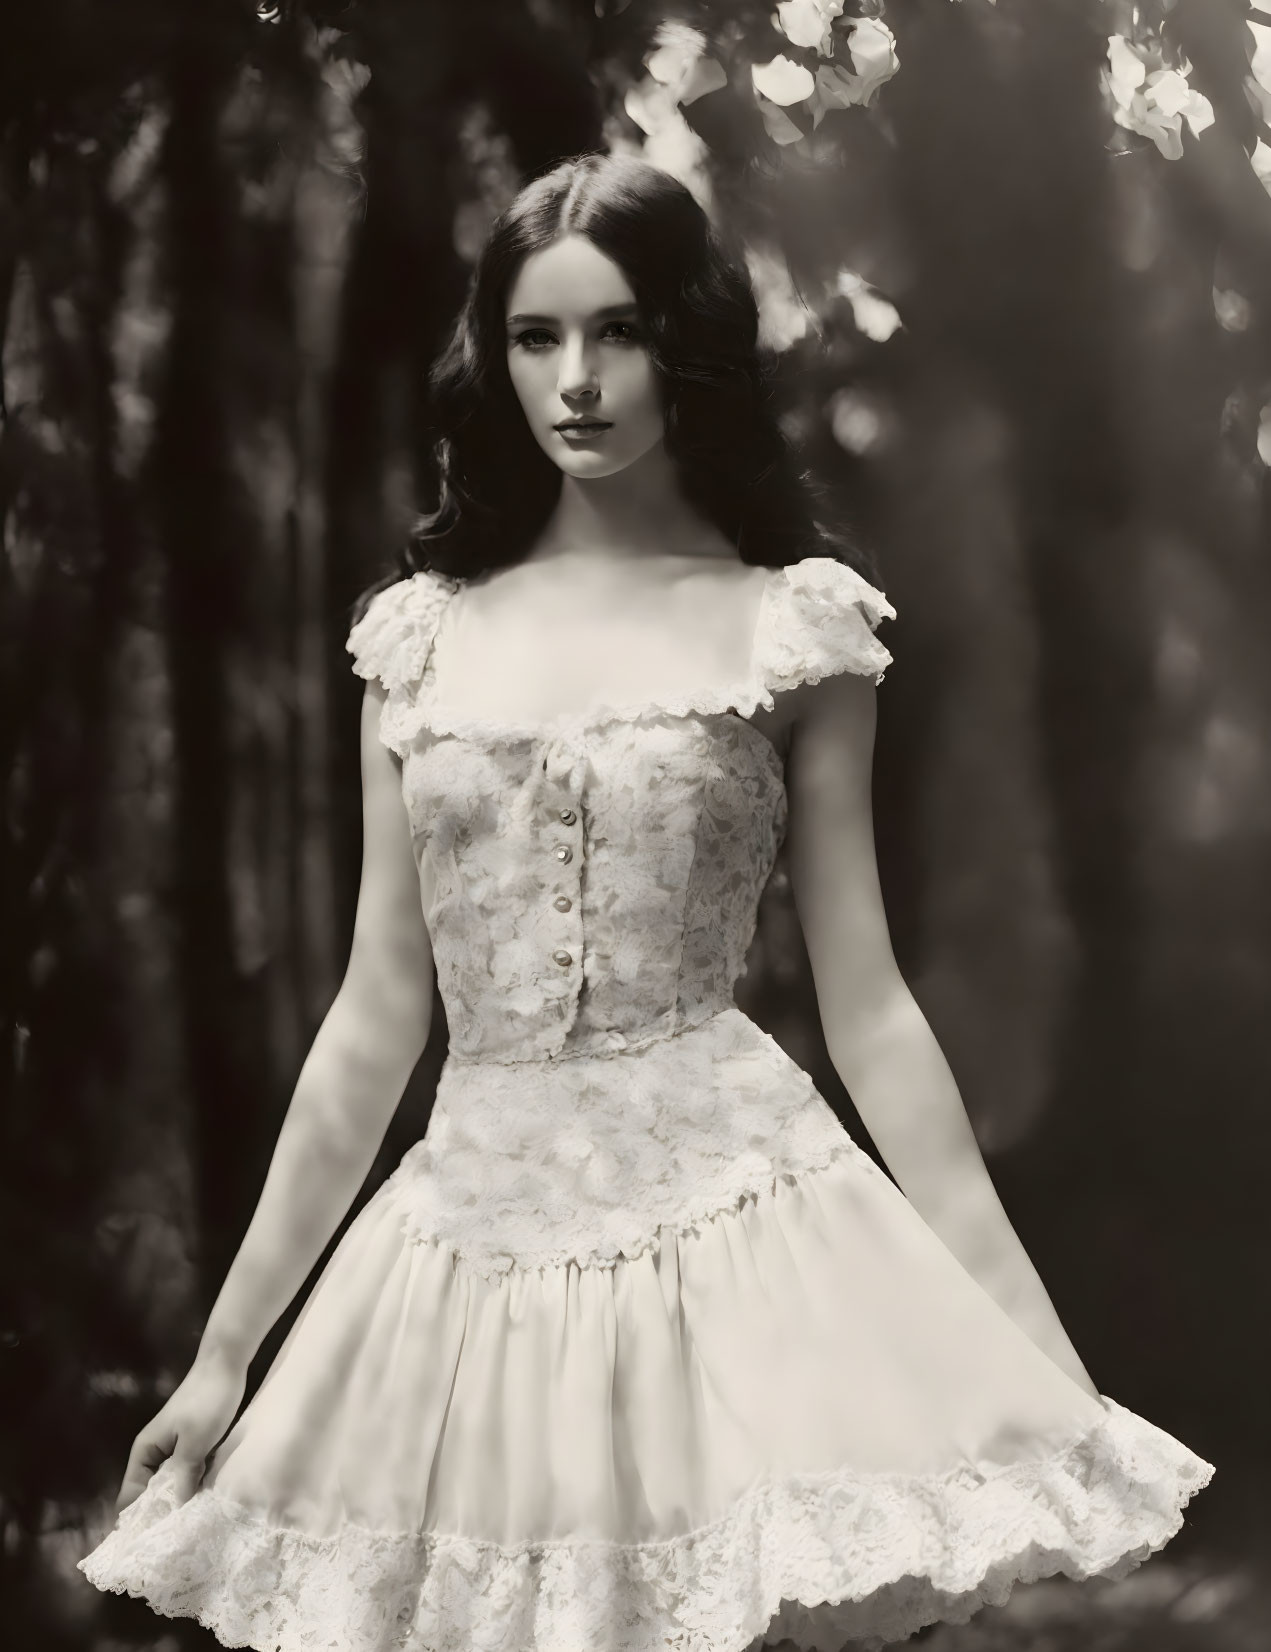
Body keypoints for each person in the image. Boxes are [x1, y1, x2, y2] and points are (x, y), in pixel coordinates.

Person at [79, 150, 1213, 1652]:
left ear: (683, 338)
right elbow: (374, 1016)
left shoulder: (791, 627)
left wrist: (1020, 1329)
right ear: (496, 357)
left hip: (733, 1227)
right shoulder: (417, 644)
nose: (577, 380)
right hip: (463, 1257)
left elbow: (870, 1007)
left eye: (616, 331)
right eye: (537, 338)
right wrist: (227, 1356)